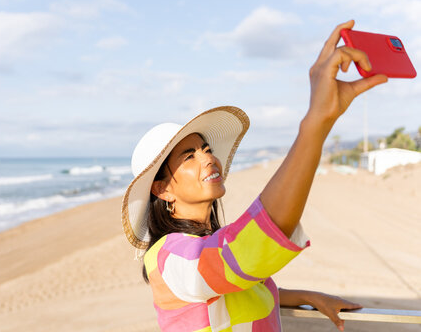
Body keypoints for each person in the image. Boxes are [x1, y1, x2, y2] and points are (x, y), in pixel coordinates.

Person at [121, 20, 388, 331]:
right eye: (189, 156)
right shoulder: (168, 257)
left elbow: (241, 282)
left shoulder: (208, 244)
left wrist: (308, 296)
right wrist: (316, 123)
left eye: (206, 149)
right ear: (163, 189)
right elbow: (239, 257)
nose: (208, 158)